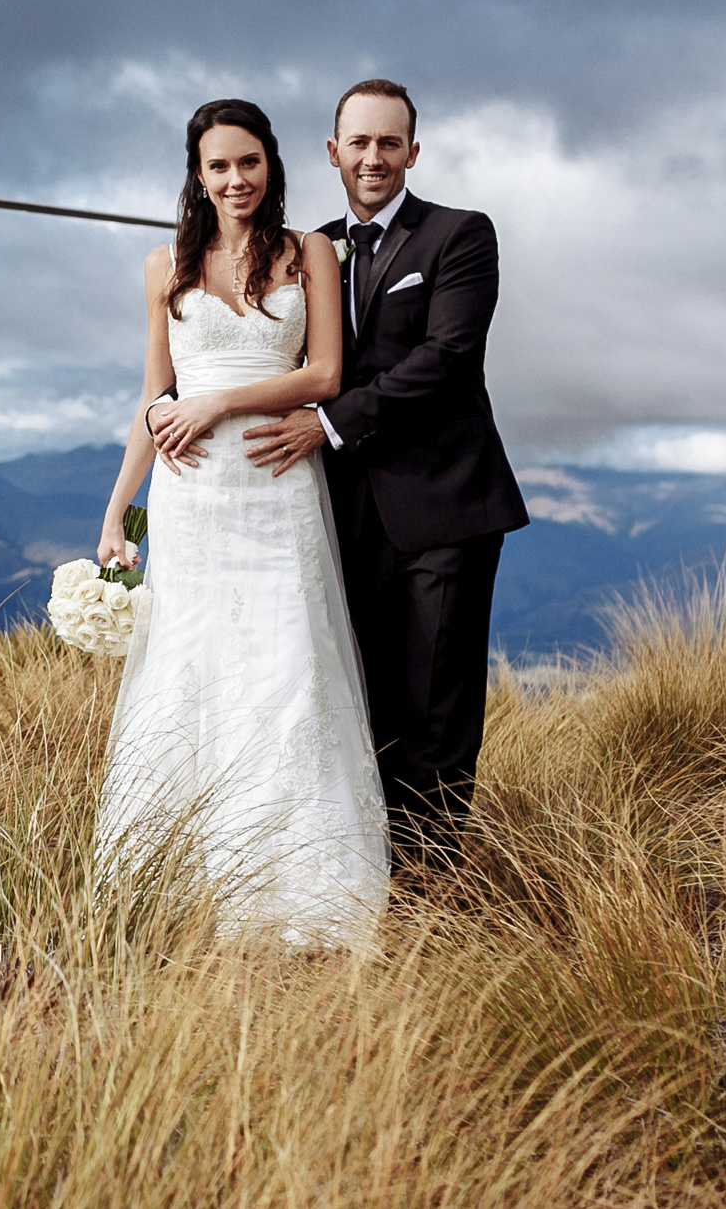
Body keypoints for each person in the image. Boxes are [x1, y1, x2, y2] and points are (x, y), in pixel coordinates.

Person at [93, 98, 388, 944]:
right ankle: (178, 880)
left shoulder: (311, 252)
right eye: (218, 165)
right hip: (189, 498)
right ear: (197, 173)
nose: (235, 179)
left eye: (249, 162)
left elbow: (326, 372)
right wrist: (119, 509)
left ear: (273, 166)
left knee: (287, 660)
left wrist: (216, 398)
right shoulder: (164, 265)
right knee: (188, 668)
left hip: (274, 482)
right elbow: (153, 394)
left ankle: (300, 884)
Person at [228, 80, 528, 880]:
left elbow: (446, 356)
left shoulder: (461, 236)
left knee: (435, 706)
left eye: (388, 143)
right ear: (332, 152)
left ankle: (430, 882)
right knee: (360, 699)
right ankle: (372, 872)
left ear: (412, 153)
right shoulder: (310, 249)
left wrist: (328, 422)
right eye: (357, 143)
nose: (372, 157)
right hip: (340, 516)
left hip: (445, 508)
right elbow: (260, 353)